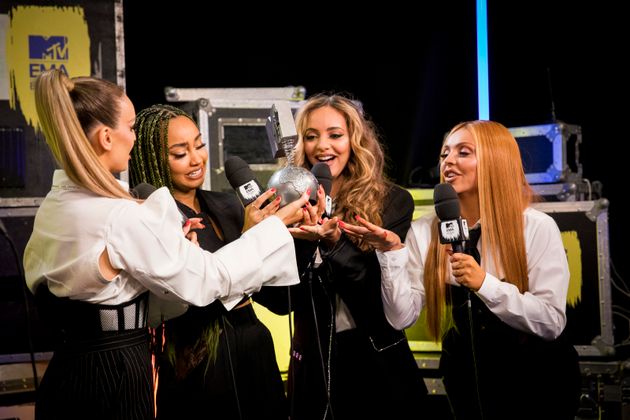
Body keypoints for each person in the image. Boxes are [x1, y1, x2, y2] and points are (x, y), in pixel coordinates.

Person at [23, 69, 309, 420]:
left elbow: (121, 301)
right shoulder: (120, 215)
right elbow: (205, 281)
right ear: (107, 138)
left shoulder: (55, 206)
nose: (133, 136)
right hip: (115, 373)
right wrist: (271, 229)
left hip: (69, 373)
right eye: (129, 127)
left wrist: (176, 253)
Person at [342, 120, 581, 420]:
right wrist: (390, 253)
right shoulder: (425, 230)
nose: (449, 161)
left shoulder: (536, 227)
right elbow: (401, 316)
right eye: (445, 154)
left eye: (464, 152)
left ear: (496, 160)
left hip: (537, 376)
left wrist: (484, 283)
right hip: (465, 372)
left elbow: (551, 321)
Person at [255, 93, 427, 420]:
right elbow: (279, 303)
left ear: (355, 140)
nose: (323, 146)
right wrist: (302, 240)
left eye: (335, 135)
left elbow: (376, 298)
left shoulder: (392, 202)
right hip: (313, 363)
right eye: (311, 136)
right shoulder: (282, 202)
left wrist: (333, 242)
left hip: (377, 363)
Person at [128, 103, 287, 420]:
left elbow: (280, 301)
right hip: (198, 361)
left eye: (199, 145)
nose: (197, 159)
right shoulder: (148, 216)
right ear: (153, 158)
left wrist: (291, 240)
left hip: (254, 348)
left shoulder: (229, 204)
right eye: (180, 153)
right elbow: (194, 298)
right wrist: (250, 238)